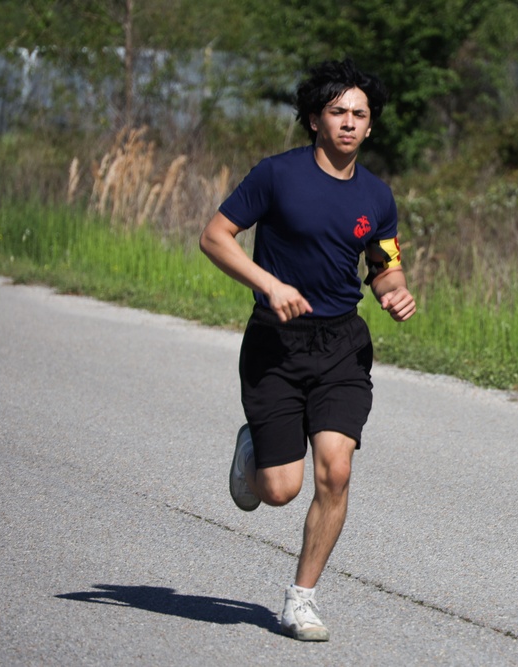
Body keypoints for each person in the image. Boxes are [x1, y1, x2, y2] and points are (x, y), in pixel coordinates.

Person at [199, 58, 415, 642]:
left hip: (342, 343)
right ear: (316, 120)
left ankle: (301, 598)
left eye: (359, 115)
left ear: (370, 127)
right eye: (337, 112)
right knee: (279, 490)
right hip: (276, 343)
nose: (348, 122)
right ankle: (256, 448)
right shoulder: (276, 176)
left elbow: (384, 267)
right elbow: (214, 237)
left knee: (336, 470)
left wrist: (395, 293)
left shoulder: (378, 196)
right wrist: (267, 284)